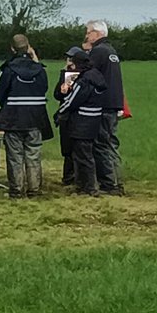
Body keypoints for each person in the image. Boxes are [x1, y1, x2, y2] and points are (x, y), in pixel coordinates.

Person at [0, 35, 52, 199]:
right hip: (36, 118)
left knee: (15, 157)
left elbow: (0, 94)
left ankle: (16, 191)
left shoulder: (8, 69)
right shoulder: (39, 69)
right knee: (33, 155)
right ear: (29, 48)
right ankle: (34, 190)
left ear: (12, 49)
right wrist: (35, 58)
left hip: (13, 118)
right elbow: (44, 88)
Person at [54, 47, 106, 195]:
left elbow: (72, 100)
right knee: (86, 155)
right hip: (94, 119)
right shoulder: (97, 76)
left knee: (83, 156)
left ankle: (88, 187)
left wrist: (59, 113)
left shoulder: (84, 80)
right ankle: (85, 185)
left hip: (81, 122)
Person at [84, 20, 125, 195]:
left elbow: (88, 75)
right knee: (111, 143)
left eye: (89, 32)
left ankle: (108, 184)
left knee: (101, 145)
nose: (86, 36)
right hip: (115, 103)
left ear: (98, 33)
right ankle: (118, 180)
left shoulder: (98, 51)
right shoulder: (111, 51)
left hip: (103, 104)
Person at [53, 47, 88, 185]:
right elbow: (57, 94)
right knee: (67, 148)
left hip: (76, 114)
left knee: (77, 148)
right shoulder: (66, 74)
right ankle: (68, 177)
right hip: (66, 115)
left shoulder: (85, 75)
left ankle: (78, 177)